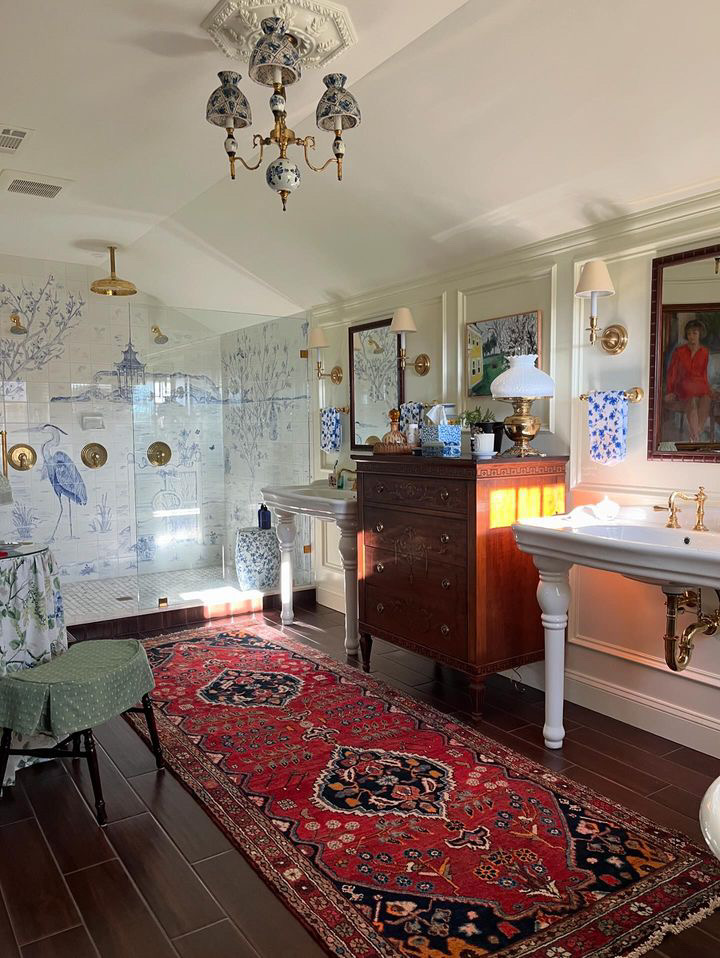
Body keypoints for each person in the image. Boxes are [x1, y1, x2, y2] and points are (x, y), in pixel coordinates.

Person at [665, 318, 714, 442]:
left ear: (700, 335)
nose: (691, 336)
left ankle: (695, 436)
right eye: (689, 334)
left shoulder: (705, 352)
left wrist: (708, 389)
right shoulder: (679, 351)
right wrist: (670, 391)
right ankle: (697, 436)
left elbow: (703, 374)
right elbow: (672, 372)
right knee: (691, 400)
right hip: (684, 385)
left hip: (700, 385)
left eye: (694, 333)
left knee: (706, 398)